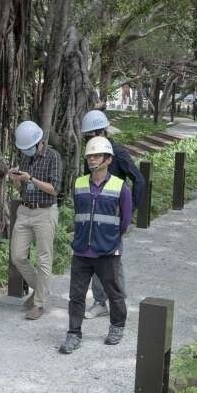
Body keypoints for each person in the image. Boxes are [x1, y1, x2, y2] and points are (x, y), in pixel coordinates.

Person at [62, 136, 132, 354]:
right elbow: (78, 213)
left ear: (108, 159)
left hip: (107, 250)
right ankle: (73, 333)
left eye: (97, 155)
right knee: (76, 295)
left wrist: (109, 239)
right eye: (89, 156)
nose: (92, 159)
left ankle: (117, 326)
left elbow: (125, 221)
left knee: (114, 292)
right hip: (82, 250)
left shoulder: (121, 187)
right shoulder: (79, 183)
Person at [79, 109, 145, 318]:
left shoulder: (118, 153)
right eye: (87, 136)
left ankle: (117, 302)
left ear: (102, 131)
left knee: (112, 260)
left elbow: (139, 179)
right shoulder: (90, 155)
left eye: (91, 135)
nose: (89, 140)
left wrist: (131, 209)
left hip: (112, 215)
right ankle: (101, 301)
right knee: (94, 257)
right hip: (92, 215)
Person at [7, 120, 62, 320]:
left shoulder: (53, 157)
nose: (27, 151)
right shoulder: (25, 157)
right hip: (24, 210)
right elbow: (23, 190)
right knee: (18, 256)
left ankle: (38, 303)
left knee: (44, 258)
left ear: (40, 142)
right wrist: (16, 180)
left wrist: (31, 179)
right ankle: (41, 290)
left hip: (44, 212)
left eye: (29, 148)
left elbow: (55, 189)